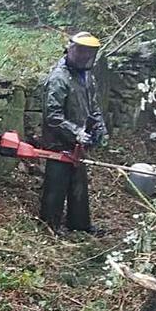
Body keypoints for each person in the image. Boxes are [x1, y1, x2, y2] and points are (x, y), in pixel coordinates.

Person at [40, 31, 108, 235]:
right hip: (58, 142)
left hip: (78, 142)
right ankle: (49, 226)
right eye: (82, 52)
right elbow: (53, 116)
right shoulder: (58, 79)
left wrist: (99, 126)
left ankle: (80, 224)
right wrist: (75, 131)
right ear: (71, 50)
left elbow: (92, 106)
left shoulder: (86, 76)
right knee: (56, 184)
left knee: (79, 184)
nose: (85, 56)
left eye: (89, 53)